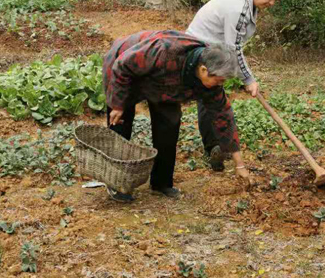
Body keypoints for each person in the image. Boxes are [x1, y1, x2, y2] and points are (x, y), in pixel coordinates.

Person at [103, 30, 251, 202]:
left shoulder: (210, 80)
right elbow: (123, 65)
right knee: (120, 123)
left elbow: (223, 117)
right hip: (124, 68)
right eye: (219, 81)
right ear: (204, 70)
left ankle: (161, 183)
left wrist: (239, 165)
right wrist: (118, 104)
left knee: (169, 124)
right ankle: (115, 182)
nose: (220, 85)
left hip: (163, 82)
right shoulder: (165, 50)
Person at [186, 0, 285, 170]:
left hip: (212, 48)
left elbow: (233, 46)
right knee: (211, 94)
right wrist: (248, 79)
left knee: (210, 97)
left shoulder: (248, 2)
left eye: (276, 0)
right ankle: (215, 147)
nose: (272, 3)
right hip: (200, 48)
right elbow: (234, 48)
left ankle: (216, 146)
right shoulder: (239, 6)